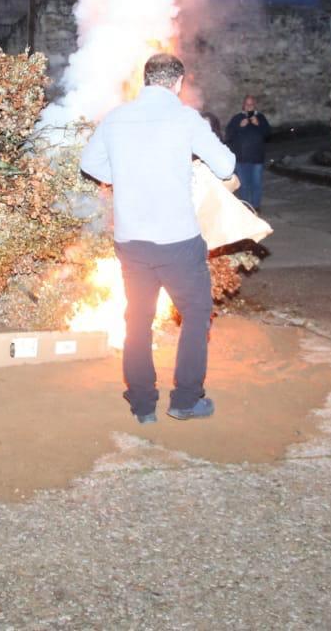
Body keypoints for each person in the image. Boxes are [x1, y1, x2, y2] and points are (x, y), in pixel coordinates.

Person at [80, 53, 237, 424]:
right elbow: (226, 166)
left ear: (145, 80)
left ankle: (142, 403)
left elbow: (89, 163)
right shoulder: (185, 118)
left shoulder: (117, 117)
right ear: (178, 84)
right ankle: (185, 399)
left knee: (137, 319)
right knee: (196, 315)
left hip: (132, 241)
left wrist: (122, 176)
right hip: (178, 241)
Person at [225, 94, 271, 211]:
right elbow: (228, 136)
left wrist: (258, 125)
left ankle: (256, 206)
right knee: (244, 185)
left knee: (256, 183)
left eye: (251, 104)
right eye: (247, 104)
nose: (249, 106)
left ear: (255, 106)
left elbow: (268, 134)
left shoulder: (260, 118)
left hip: (257, 159)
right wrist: (239, 126)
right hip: (241, 158)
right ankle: (246, 207)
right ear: (243, 105)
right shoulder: (237, 118)